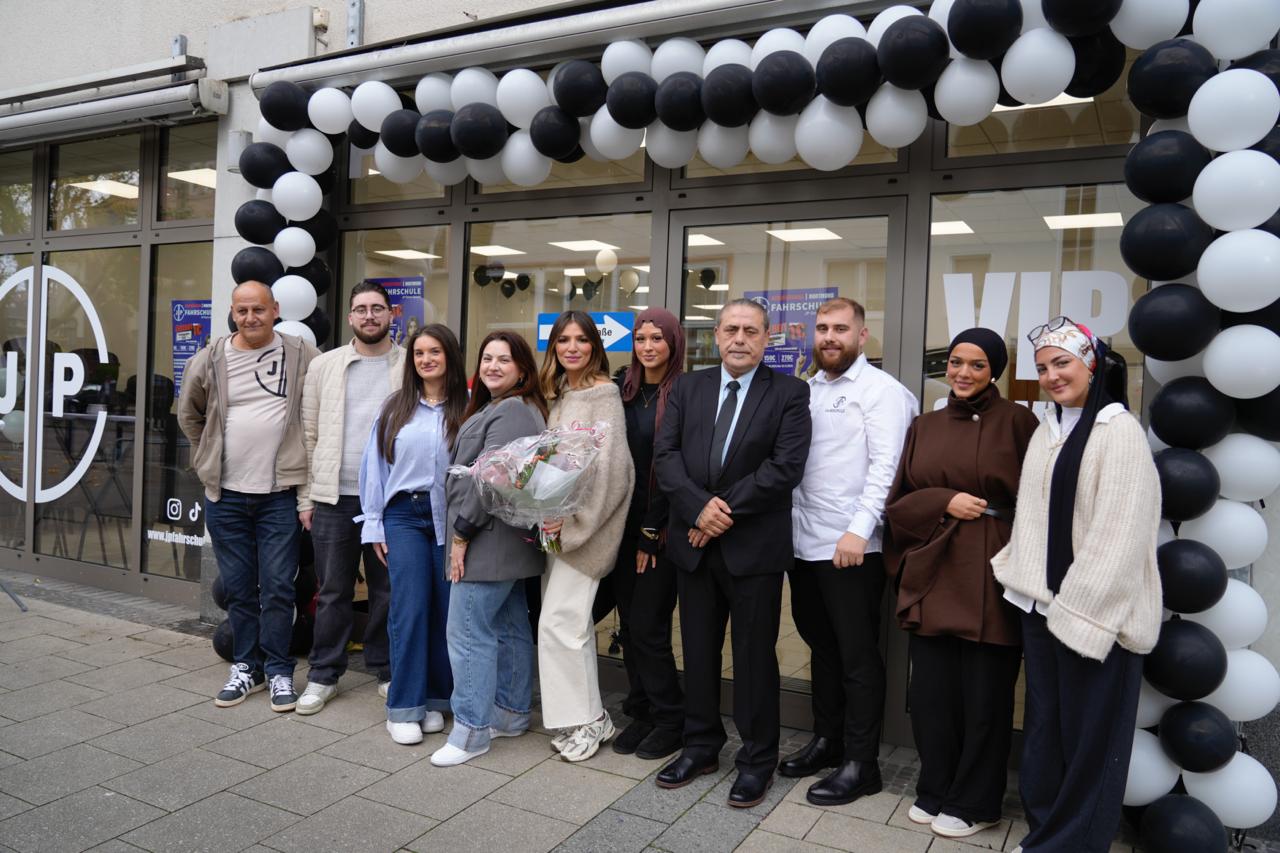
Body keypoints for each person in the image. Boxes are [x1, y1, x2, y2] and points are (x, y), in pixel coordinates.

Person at [991, 317, 1161, 853]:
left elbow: (1121, 535)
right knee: (1046, 730)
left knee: (1091, 744)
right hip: (1041, 607)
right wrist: (1020, 574)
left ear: (1091, 363)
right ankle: (1045, 830)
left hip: (1095, 617)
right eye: (1041, 367)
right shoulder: (1050, 428)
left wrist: (1077, 612)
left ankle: (1073, 844)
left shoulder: (1118, 431)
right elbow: (1034, 516)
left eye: (1061, 363)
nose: (1051, 375)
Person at [653, 299, 811, 809]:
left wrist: (717, 514)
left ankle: (757, 759)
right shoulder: (688, 387)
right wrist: (699, 510)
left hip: (754, 552)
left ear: (767, 339)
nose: (740, 339)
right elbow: (666, 456)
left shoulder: (789, 392)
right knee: (696, 652)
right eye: (731, 330)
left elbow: (784, 468)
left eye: (751, 331)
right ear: (716, 335)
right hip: (693, 548)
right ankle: (700, 746)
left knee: (753, 659)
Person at [884, 327, 1039, 837]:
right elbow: (900, 502)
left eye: (976, 364)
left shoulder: (1019, 420)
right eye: (955, 363)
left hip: (994, 568)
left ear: (994, 369)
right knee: (930, 693)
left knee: (985, 696)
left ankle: (977, 801)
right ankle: (935, 788)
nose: (963, 373)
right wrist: (942, 501)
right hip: (935, 565)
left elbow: (1039, 501)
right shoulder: (924, 425)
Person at [783, 297, 917, 806]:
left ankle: (862, 764)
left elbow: (888, 468)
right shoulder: (808, 390)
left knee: (858, 656)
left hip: (852, 548)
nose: (829, 337)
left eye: (841, 328)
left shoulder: (883, 393)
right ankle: (828, 739)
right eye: (822, 328)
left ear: (863, 336)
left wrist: (859, 531)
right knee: (821, 645)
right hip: (803, 542)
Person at [177, 280, 318, 712]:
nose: (250, 317)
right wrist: (208, 457)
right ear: (233, 313)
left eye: (258, 309)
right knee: (239, 588)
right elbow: (189, 412)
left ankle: (278, 670)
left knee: (277, 588)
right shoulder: (213, 357)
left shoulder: (301, 354)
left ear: (275, 309)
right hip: (226, 495)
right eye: (242, 311)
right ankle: (246, 667)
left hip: (278, 495)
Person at [432, 331, 548, 767]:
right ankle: (512, 713)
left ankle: (472, 730)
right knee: (508, 625)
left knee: (465, 633)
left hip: (485, 538)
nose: (493, 366)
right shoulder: (499, 407)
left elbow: (494, 479)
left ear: (522, 368)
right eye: (487, 358)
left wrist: (461, 534)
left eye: (504, 359)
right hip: (501, 542)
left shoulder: (513, 409)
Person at [295, 281, 402, 716]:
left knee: (388, 590)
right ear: (350, 316)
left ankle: (387, 669)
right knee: (335, 589)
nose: (370, 316)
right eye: (361, 309)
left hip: (391, 500)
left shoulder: (408, 365)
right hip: (334, 497)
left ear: (391, 314)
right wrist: (306, 498)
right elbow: (308, 435)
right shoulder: (326, 366)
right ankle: (323, 675)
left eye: (378, 308)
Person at [358, 324, 467, 745]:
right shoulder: (396, 407)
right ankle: (403, 706)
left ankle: (437, 701)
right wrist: (374, 523)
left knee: (444, 611)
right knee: (409, 608)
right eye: (419, 353)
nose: (426, 360)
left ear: (449, 357)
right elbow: (375, 467)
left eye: (435, 351)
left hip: (450, 519)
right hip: (403, 515)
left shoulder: (468, 408)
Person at [537, 311, 634, 763]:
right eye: (563, 340)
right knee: (563, 627)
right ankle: (579, 718)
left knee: (562, 624)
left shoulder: (603, 394)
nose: (572, 348)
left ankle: (590, 720)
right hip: (555, 531)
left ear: (596, 346)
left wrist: (575, 525)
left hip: (586, 533)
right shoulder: (559, 395)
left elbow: (613, 474)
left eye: (581, 340)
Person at [601, 308, 686, 760]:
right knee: (630, 625)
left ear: (673, 342)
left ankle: (671, 718)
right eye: (640, 338)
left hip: (661, 528)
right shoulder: (622, 391)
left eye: (657, 338)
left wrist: (652, 532)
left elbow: (680, 470)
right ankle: (642, 709)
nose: (648, 346)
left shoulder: (687, 394)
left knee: (650, 626)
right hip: (619, 524)